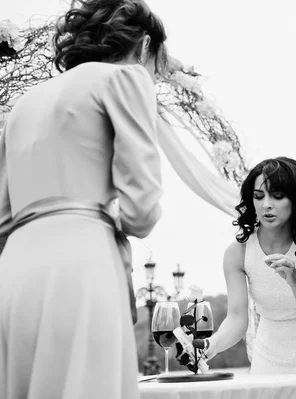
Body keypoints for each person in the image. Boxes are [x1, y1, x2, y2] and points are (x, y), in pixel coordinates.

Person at [0, 0, 167, 398]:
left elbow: (2, 220)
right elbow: (141, 211)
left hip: (12, 276)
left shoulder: (21, 107)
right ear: (144, 47)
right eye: (155, 69)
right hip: (81, 267)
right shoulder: (124, 78)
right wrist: (107, 210)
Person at [195, 157, 296, 399]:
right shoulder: (237, 252)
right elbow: (237, 318)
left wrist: (294, 282)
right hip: (268, 362)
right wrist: (210, 346)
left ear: (295, 199)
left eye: (277, 196)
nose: (266, 205)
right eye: (259, 196)